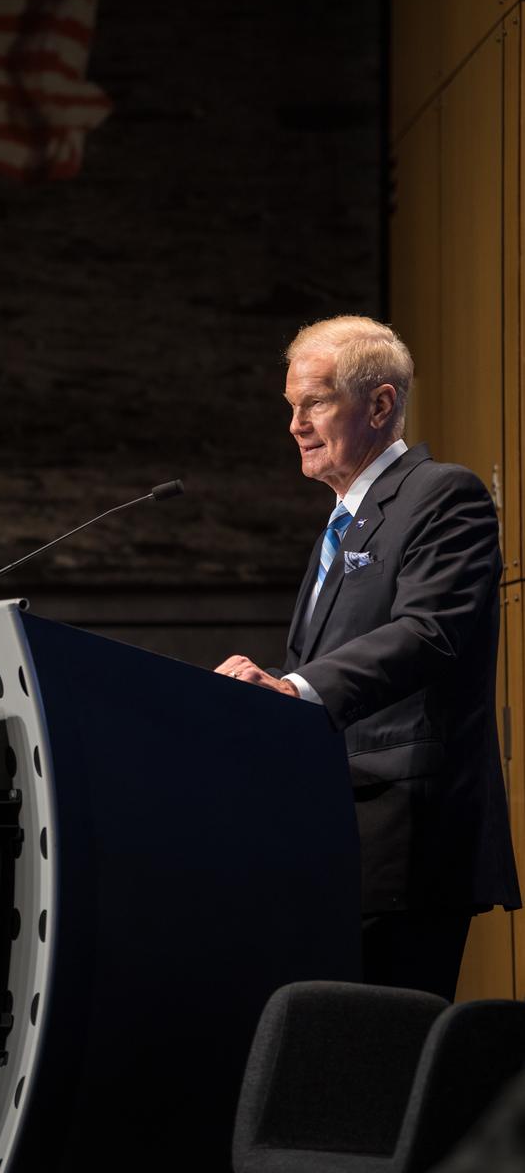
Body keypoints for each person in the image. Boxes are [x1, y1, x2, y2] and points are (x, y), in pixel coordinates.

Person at [216, 315, 520, 999]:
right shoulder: (343, 522)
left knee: (384, 1047)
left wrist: (294, 688)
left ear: (380, 405)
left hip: (407, 837)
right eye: (290, 406)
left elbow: (428, 631)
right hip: (336, 834)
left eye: (315, 403)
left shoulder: (442, 494)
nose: (295, 425)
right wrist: (266, 693)